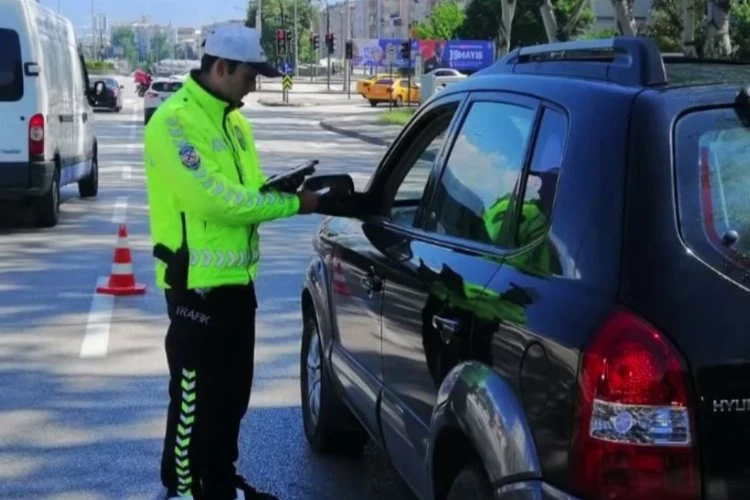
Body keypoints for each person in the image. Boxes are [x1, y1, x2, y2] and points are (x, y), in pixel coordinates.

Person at [143, 23, 321, 500]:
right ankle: (182, 488)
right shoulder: (174, 123)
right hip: (195, 286)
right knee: (193, 401)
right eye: (249, 74)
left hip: (238, 284)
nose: (254, 84)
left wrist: (280, 190)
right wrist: (294, 205)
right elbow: (217, 201)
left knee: (231, 400)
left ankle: (219, 482)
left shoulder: (235, 121)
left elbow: (248, 193)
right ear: (221, 67)